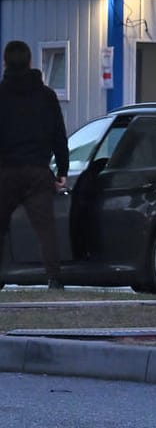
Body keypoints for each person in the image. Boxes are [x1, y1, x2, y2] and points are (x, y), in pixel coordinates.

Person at [0, 41, 68, 290]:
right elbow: (59, 135)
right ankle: (54, 277)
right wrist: (62, 170)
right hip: (38, 172)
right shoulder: (47, 96)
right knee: (45, 228)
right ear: (30, 63)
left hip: (5, 171)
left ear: (5, 63)